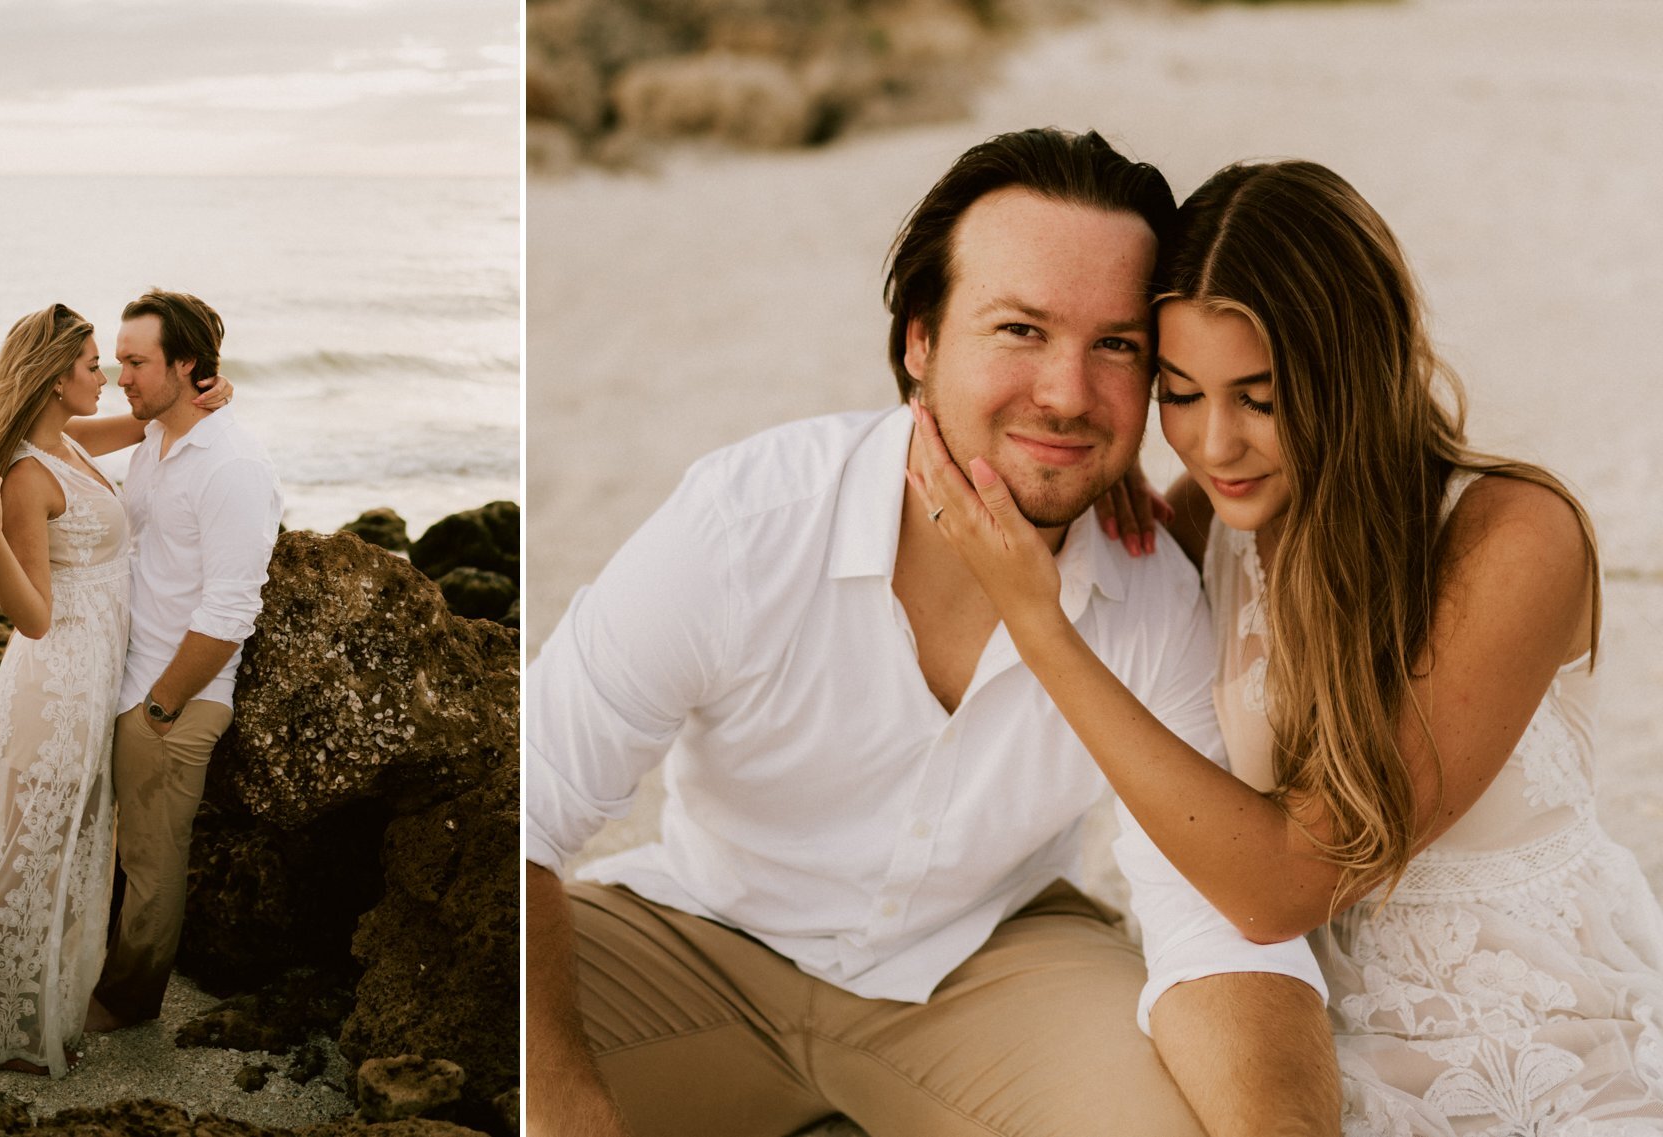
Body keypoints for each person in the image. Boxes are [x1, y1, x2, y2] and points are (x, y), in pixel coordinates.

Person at [526, 128, 1343, 1137]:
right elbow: (518, 807)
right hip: (690, 947)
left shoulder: (1153, 591)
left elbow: (1211, 925)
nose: (1065, 394)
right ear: (920, 341)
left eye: (1114, 347)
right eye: (1018, 330)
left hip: (991, 965)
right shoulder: (744, 525)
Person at [909, 159, 1663, 1133]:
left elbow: (1285, 885)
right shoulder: (1200, 522)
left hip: (1542, 1037)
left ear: (1356, 370)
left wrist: (1038, 620)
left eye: (1259, 400)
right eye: (1178, 393)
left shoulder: (1510, 535)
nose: (1211, 444)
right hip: (1298, 1031)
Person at [0, 302, 233, 1076]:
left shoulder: (68, 439)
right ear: (58, 378)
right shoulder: (27, 472)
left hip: (98, 675)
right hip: (55, 682)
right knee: (40, 850)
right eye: (96, 365)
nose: (110, 378)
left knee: (55, 846)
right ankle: (12, 1034)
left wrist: (206, 395)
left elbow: (149, 423)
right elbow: (31, 615)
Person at [84, 288, 282, 1032]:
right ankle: (91, 971)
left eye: (135, 362)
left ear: (185, 363)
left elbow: (231, 611)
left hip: (175, 698)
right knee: (115, 848)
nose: (120, 376)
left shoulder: (231, 465)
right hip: (130, 680)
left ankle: (128, 1004)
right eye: (116, 360)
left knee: (151, 865)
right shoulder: (158, 438)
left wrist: (159, 708)